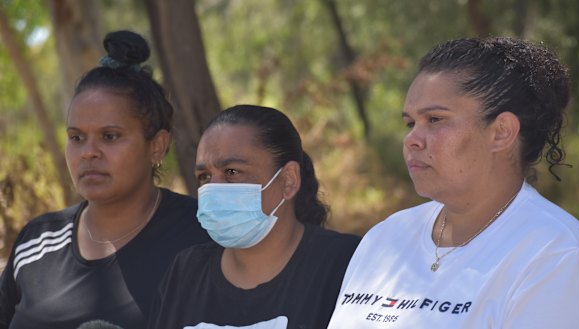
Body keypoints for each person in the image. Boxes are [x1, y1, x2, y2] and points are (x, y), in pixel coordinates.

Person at [326, 37, 579, 328]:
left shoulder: (555, 253)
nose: (411, 140)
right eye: (410, 123)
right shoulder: (385, 238)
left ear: (501, 132)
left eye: (435, 119)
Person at [0, 30, 210, 329]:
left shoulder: (203, 239)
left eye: (110, 137)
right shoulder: (36, 242)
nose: (88, 153)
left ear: (157, 146)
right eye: (76, 137)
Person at [148, 104, 361, 329]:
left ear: (288, 180)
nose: (214, 188)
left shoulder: (346, 265)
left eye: (232, 172)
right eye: (205, 176)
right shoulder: (186, 273)